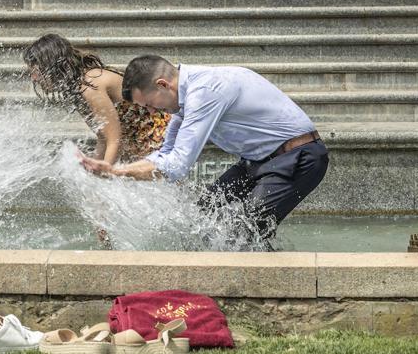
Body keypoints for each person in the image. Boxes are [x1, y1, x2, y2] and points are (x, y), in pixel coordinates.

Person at [77, 55, 328, 239]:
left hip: (298, 157)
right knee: (204, 214)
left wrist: (118, 172)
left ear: (163, 84)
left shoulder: (205, 91)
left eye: (150, 104)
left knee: (244, 232)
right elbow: (165, 154)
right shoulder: (183, 102)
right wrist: (118, 169)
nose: (152, 112)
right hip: (258, 161)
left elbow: (176, 166)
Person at [23, 34, 169, 165]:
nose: (33, 78)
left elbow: (114, 140)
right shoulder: (78, 88)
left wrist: (103, 177)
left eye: (36, 71)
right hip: (143, 144)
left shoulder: (90, 86)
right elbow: (103, 136)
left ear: (52, 67)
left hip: (161, 139)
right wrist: (92, 169)